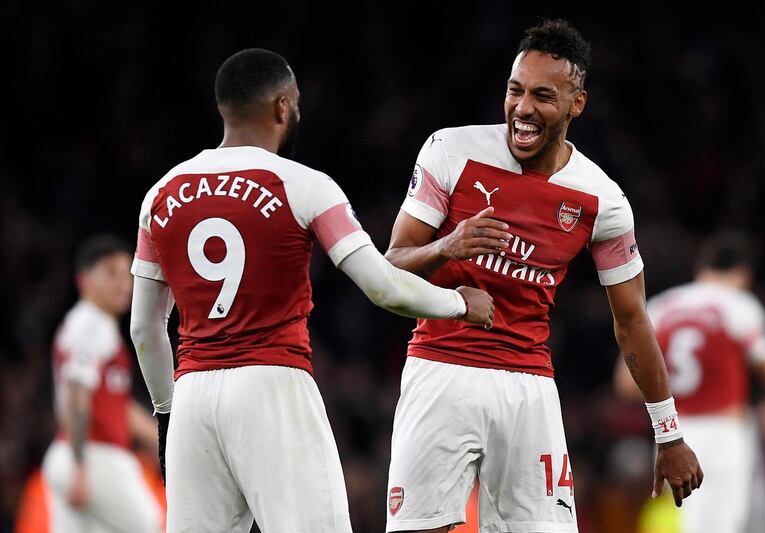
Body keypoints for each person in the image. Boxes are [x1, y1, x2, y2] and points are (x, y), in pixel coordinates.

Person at [128, 48, 494, 533]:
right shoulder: (303, 185)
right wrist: (458, 303)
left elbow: (144, 327)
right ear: (283, 106)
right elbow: (382, 286)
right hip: (272, 385)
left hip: (193, 395)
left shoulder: (160, 194)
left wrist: (167, 413)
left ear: (223, 108)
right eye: (296, 102)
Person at [383, 19, 702, 533]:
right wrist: (449, 245)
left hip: (527, 386)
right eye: (515, 90)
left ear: (576, 104)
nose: (523, 108)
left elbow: (632, 321)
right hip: (440, 371)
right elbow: (390, 263)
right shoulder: (450, 150)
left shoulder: (602, 199)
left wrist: (667, 432)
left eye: (542, 96)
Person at [615, 232, 765, 533]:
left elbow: (625, 384)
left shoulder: (663, 307)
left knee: (682, 523)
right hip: (724, 433)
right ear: (742, 273)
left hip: (672, 435)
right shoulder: (738, 305)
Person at [42, 235, 162, 533]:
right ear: (84, 280)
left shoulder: (94, 326)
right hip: (93, 455)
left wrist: (161, 440)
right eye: (111, 273)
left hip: (74, 454)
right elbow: (77, 395)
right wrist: (80, 464)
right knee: (148, 525)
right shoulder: (90, 324)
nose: (123, 284)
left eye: (127, 274)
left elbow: (115, 405)